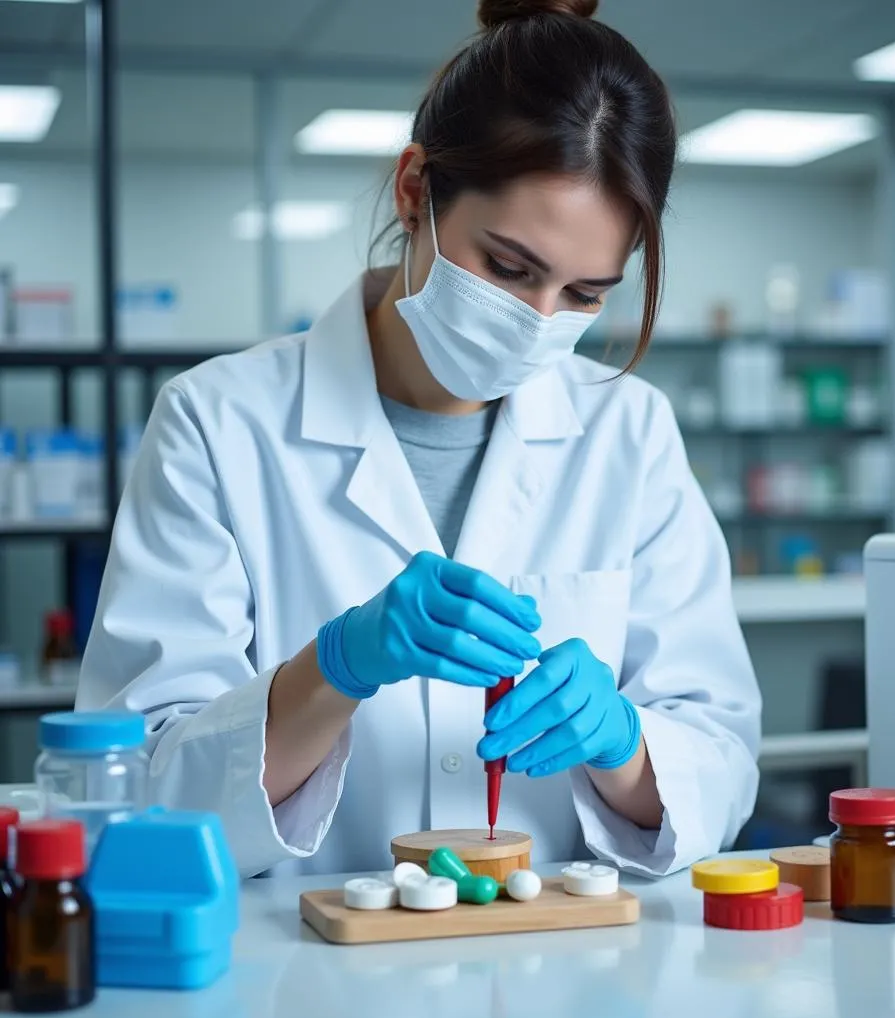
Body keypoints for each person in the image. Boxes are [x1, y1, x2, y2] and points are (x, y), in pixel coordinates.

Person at [77, 0, 761, 880]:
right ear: (414, 192)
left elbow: (720, 765)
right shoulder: (217, 423)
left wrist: (622, 743)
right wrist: (335, 669)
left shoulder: (629, 431)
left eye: (585, 293)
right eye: (508, 267)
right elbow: (145, 791)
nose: (537, 320)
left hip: (564, 976)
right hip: (299, 982)